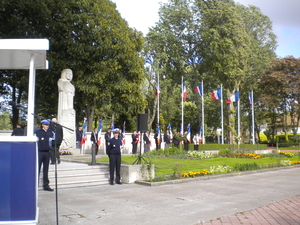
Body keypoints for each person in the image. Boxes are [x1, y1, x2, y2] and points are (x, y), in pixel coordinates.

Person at [35, 120, 55, 191]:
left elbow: (53, 142)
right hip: (40, 152)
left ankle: (46, 185)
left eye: (48, 125)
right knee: (37, 169)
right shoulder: (37, 132)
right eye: (45, 125)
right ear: (42, 125)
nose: (47, 126)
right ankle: (35, 185)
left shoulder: (51, 133)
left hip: (47, 152)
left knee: (46, 169)